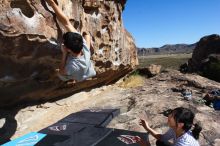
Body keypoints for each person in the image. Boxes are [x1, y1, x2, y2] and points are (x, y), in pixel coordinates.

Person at [45, 0, 96, 82]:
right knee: (87, 39)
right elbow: (66, 23)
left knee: (58, 72)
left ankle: (69, 79)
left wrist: (64, 54)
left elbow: (61, 71)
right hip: (86, 69)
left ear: (68, 49)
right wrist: (52, 3)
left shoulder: (73, 66)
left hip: (77, 74)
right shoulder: (81, 42)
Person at [136, 107, 202, 146]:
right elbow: (162, 138)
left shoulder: (184, 143)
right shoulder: (175, 129)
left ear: (180, 124)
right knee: (160, 142)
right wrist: (147, 128)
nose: (169, 116)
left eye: (172, 116)